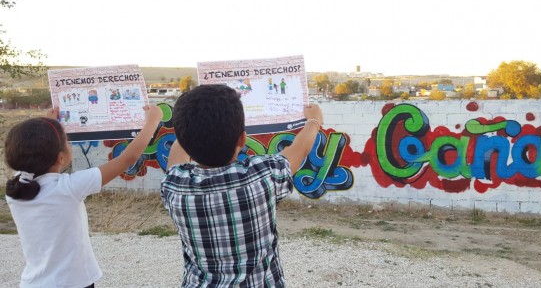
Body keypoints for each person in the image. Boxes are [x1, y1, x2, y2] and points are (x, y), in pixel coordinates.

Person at [161, 84, 323, 287]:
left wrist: (192, 124)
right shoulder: (264, 176)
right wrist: (314, 121)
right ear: (242, 139)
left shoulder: (175, 187)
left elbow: (178, 155)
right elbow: (301, 149)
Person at [5, 105, 163, 288]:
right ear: (61, 158)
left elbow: (29, 150)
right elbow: (128, 158)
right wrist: (153, 121)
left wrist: (49, 125)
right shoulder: (69, 188)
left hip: (33, 283)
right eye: (68, 143)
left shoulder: (16, 188)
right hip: (73, 283)